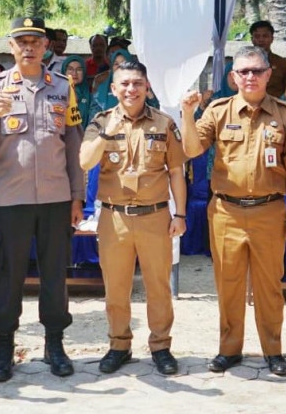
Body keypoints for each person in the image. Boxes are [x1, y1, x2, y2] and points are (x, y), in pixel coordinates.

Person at [0, 16, 84, 382]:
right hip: (11, 199)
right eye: (21, 42)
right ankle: (3, 348)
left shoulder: (64, 88)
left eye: (35, 41)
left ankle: (55, 345)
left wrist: (78, 196)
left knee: (54, 275)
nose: (29, 47)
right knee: (8, 274)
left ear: (46, 46)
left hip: (55, 198)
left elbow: (74, 144)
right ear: (11, 47)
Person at [180, 45, 286, 377]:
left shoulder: (284, 114)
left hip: (269, 211)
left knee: (269, 286)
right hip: (226, 213)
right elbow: (192, 149)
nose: (250, 77)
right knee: (228, 284)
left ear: (268, 74)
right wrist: (188, 115)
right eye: (243, 72)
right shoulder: (218, 111)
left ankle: (273, 351)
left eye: (257, 71)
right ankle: (229, 349)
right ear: (233, 77)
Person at [79, 60, 187, 376]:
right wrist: (108, 132)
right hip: (115, 218)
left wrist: (179, 213)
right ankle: (119, 345)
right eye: (124, 84)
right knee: (116, 287)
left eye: (137, 83)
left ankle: (161, 346)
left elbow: (177, 172)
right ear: (113, 89)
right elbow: (85, 162)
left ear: (146, 87)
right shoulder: (100, 122)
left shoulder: (164, 124)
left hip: (155, 216)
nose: (131, 89)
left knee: (158, 287)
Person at [249, 21, 286, 99]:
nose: (261, 40)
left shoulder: (282, 63)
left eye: (265, 36)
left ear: (272, 39)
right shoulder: (245, 62)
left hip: (276, 107)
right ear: (252, 39)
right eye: (257, 36)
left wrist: (282, 100)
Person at [61, 56, 89, 131]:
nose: (74, 73)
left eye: (79, 69)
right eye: (70, 69)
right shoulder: (57, 94)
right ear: (64, 71)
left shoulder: (90, 95)